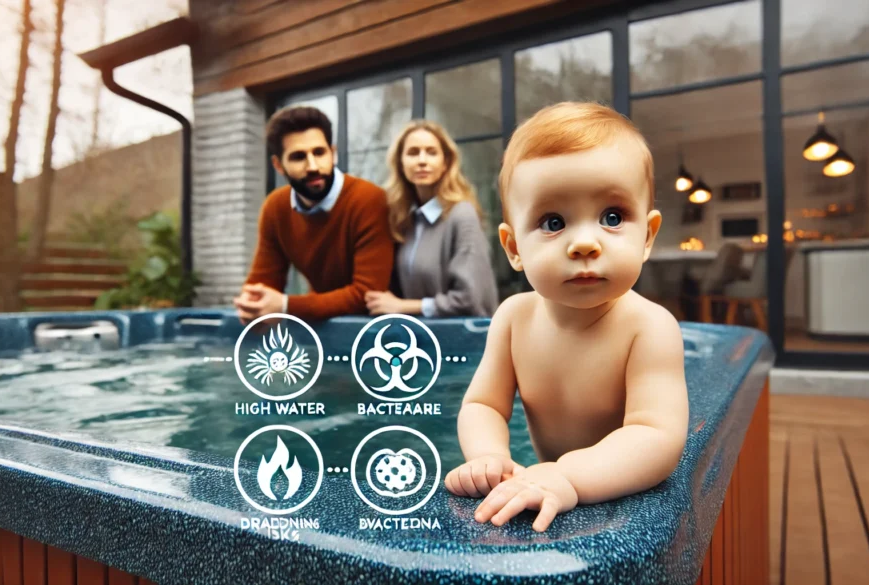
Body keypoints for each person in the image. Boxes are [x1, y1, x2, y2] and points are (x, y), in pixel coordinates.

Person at [443, 102, 689, 532]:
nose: (584, 244)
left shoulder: (648, 328)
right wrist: (489, 456)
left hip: (623, 511)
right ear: (514, 247)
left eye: (612, 218)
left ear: (647, 236)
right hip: (548, 488)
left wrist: (567, 475)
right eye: (553, 221)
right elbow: (483, 404)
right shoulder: (513, 319)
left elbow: (657, 437)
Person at [234, 106, 395, 324]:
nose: (313, 166)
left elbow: (368, 294)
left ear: (333, 153)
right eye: (299, 157)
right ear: (278, 165)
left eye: (319, 153)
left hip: (385, 330)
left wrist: (284, 306)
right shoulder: (276, 207)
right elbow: (263, 282)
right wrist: (252, 305)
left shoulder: (369, 199)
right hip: (324, 328)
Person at [364, 120, 498, 318]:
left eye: (431, 152)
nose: (422, 160)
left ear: (445, 163)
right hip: (419, 342)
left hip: (462, 344)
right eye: (413, 153)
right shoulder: (404, 221)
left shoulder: (461, 215)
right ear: (401, 163)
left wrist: (403, 307)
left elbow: (471, 298)